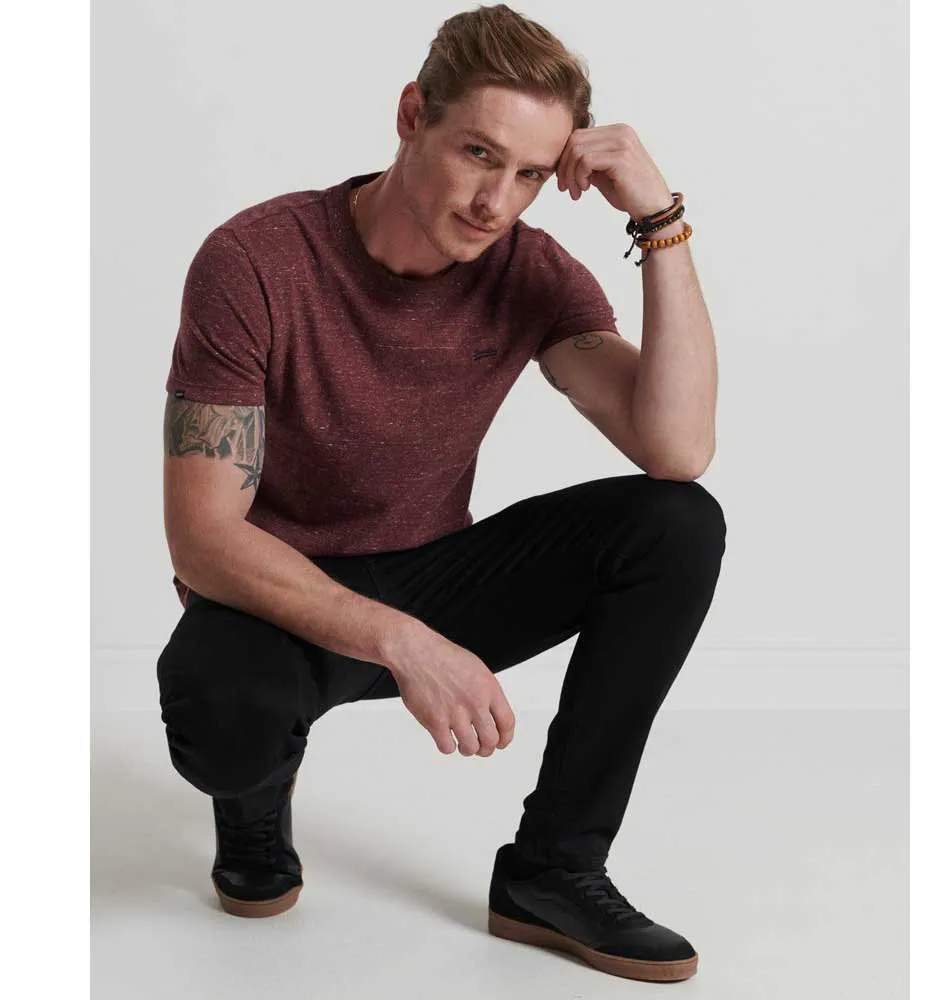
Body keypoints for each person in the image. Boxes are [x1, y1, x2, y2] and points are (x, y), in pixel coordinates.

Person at [156, 2, 724, 984]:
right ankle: (254, 802)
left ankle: (554, 870)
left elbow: (677, 449)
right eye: (477, 153)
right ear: (413, 114)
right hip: (276, 594)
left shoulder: (530, 274)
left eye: (531, 175)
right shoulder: (256, 261)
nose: (496, 202)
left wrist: (660, 222)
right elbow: (203, 536)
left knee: (675, 526)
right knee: (223, 714)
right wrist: (402, 642)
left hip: (433, 571)